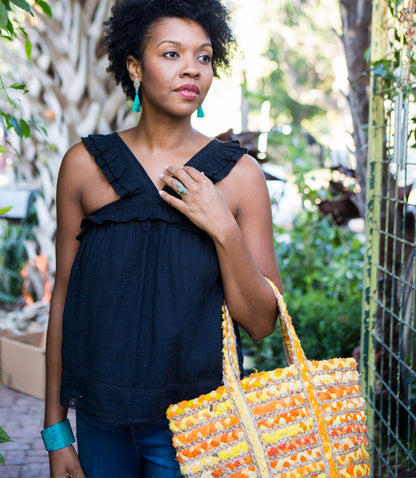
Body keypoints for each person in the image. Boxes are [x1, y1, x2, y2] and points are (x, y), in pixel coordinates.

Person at [43, 0, 282, 476]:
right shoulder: (84, 167)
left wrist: (223, 228)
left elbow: (261, 323)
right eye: (171, 54)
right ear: (134, 66)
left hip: (202, 425)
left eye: (204, 56)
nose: (191, 69)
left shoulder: (239, 177)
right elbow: (63, 298)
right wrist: (55, 432)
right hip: (100, 419)